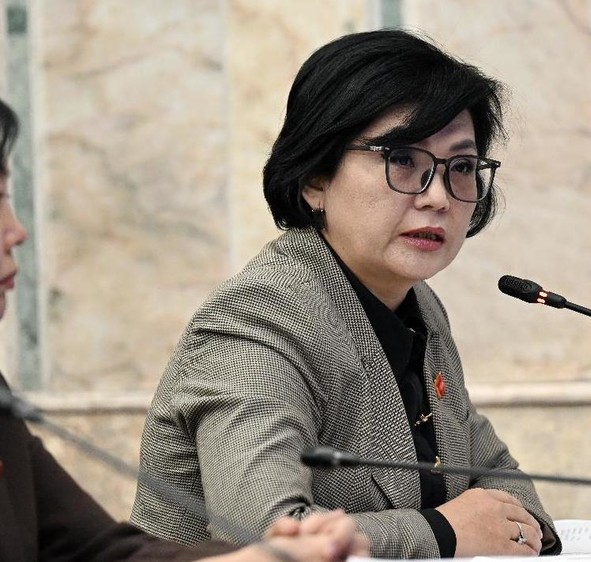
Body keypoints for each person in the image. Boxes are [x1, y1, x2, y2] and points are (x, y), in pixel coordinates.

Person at [130, 29, 561, 558]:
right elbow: (267, 540)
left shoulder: (416, 303)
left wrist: (517, 528)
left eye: (462, 167)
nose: (437, 197)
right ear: (315, 178)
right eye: (402, 159)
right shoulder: (258, 318)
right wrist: (443, 532)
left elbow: (494, 474)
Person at [0, 98, 369, 562]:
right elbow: (257, 514)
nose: (17, 231)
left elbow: (97, 550)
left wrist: (263, 557)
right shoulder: (257, 314)